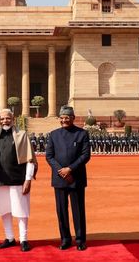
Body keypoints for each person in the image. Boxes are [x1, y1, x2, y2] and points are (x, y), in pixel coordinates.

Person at [0, 109, 37, 252]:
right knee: (5, 210)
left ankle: (24, 239)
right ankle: (9, 238)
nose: (5, 121)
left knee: (21, 211)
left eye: (7, 118)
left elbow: (30, 159)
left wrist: (28, 179)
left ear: (13, 119)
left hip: (18, 179)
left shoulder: (22, 135)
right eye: (2, 119)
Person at [45, 106, 91, 251]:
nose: (64, 120)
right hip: (59, 178)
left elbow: (85, 155)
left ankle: (80, 239)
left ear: (73, 118)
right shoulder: (53, 135)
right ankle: (65, 239)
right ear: (59, 119)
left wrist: (70, 169)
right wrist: (61, 170)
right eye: (62, 118)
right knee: (62, 211)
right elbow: (49, 156)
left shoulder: (82, 134)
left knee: (78, 210)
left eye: (67, 117)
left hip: (76, 177)